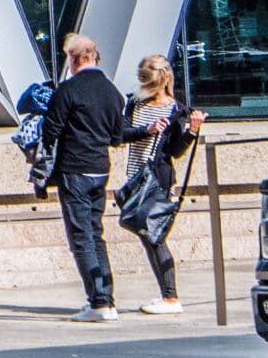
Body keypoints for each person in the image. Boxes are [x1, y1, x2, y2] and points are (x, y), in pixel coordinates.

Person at [38, 33, 128, 320]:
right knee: (95, 233)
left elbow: (50, 131)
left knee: (81, 236)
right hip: (101, 168)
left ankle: (98, 301)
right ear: (95, 56)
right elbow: (117, 136)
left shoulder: (68, 90)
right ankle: (107, 298)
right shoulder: (113, 92)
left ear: (73, 59)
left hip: (74, 169)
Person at [118, 55, 206, 315]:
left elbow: (176, 151)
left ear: (162, 81)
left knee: (154, 236)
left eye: (148, 83)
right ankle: (167, 296)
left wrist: (192, 130)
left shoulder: (176, 109)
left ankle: (170, 297)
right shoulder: (134, 104)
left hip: (157, 181)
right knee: (148, 236)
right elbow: (121, 134)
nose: (144, 87)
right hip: (134, 179)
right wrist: (147, 129)